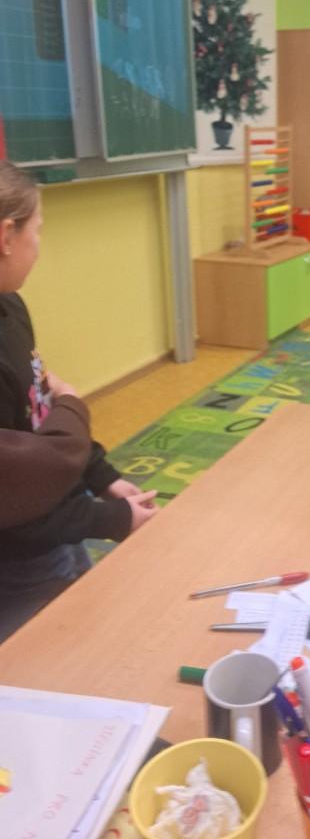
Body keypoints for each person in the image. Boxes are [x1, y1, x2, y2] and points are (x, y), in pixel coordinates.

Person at [0, 160, 158, 642]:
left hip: (58, 524)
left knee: (82, 617)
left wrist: (101, 477)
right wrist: (111, 519)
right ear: (6, 237)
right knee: (51, 652)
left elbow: (39, 413)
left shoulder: (9, 304)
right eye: (38, 231)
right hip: (23, 556)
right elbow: (13, 501)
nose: (39, 245)